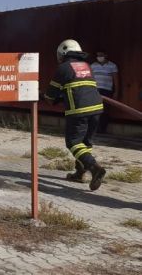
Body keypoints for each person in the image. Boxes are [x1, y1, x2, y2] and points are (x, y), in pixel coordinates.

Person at [44, 39, 106, 190]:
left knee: (73, 142)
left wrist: (48, 97)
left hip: (79, 110)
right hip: (97, 108)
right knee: (85, 143)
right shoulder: (87, 66)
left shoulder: (64, 68)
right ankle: (79, 173)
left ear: (63, 53)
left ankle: (94, 168)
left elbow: (50, 96)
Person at [90, 50, 119, 134]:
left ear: (106, 55)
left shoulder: (112, 66)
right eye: (98, 55)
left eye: (101, 55)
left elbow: (116, 80)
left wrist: (116, 91)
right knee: (94, 109)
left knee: (105, 110)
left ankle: (102, 129)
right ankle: (94, 128)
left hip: (107, 90)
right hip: (95, 90)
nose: (99, 57)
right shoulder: (93, 66)